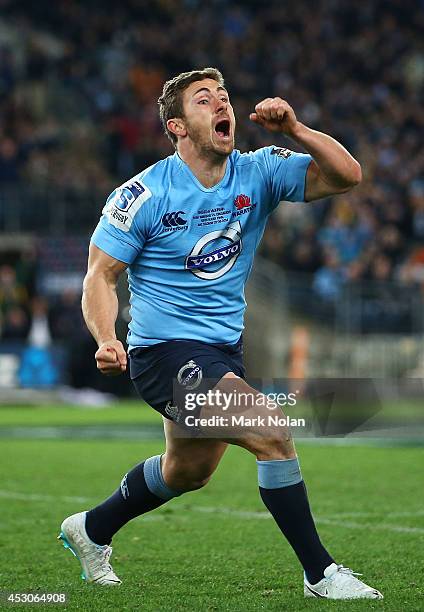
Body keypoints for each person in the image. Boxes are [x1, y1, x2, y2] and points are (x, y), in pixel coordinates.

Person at [58, 68, 382, 600]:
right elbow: (100, 274)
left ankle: (91, 528)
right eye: (204, 100)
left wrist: (297, 130)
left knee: (186, 473)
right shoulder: (144, 194)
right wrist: (105, 337)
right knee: (272, 431)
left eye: (224, 97)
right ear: (178, 126)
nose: (221, 105)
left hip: (221, 349)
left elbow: (346, 176)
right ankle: (320, 573)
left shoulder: (258, 171)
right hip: (163, 354)